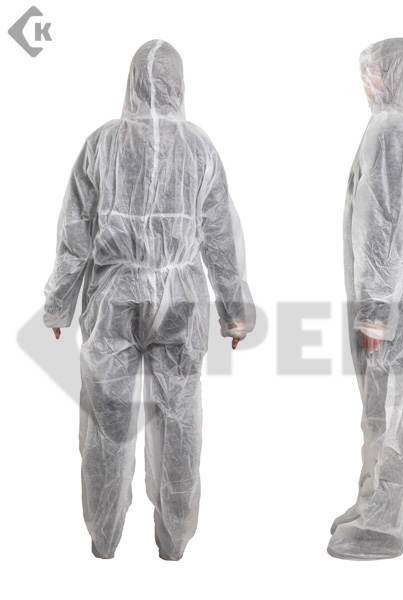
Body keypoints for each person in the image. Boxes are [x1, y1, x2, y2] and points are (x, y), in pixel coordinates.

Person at [43, 39, 255, 560]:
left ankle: (103, 539)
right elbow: (220, 238)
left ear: (132, 81)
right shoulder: (199, 148)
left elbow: (75, 234)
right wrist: (235, 313)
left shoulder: (102, 144)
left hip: (113, 300)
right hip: (181, 301)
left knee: (107, 421)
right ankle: (174, 541)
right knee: (179, 418)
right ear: (180, 84)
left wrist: (59, 305)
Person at [328, 37, 403, 560]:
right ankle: (371, 502)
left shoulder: (396, 130)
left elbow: (387, 225)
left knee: (391, 408)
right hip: (394, 298)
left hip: (392, 301)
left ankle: (383, 525)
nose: (366, 80)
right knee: (381, 408)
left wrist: (376, 312)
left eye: (374, 71)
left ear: (397, 75)